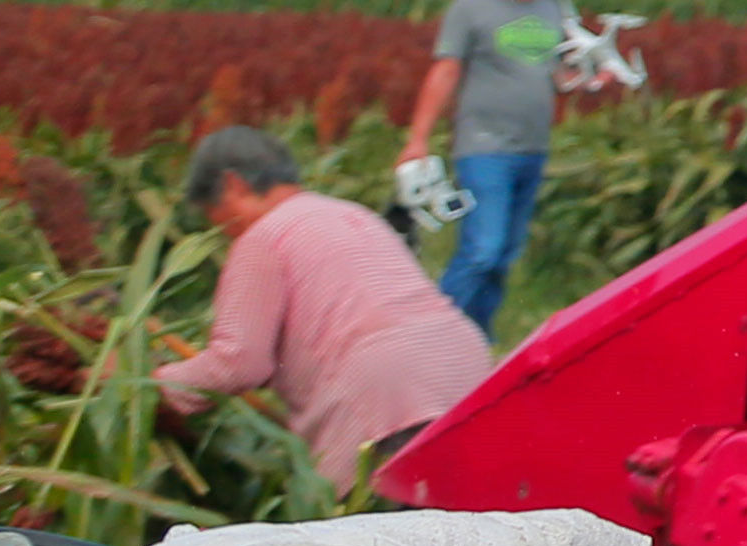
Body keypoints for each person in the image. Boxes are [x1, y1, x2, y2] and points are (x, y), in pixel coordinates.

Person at [157, 130, 495, 494]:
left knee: (386, 536)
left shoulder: (262, 239)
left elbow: (238, 363)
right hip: (466, 370)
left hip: (385, 394)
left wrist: (152, 384)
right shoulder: (352, 214)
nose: (222, 232)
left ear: (233, 184)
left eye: (214, 215)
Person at [395, 0, 572, 328]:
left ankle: (476, 338)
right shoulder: (470, 8)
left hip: (532, 148)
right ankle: (433, 333)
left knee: (505, 253)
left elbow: (558, 73)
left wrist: (587, 79)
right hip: (483, 147)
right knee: (483, 249)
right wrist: (418, 138)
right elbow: (445, 72)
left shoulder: (553, 10)